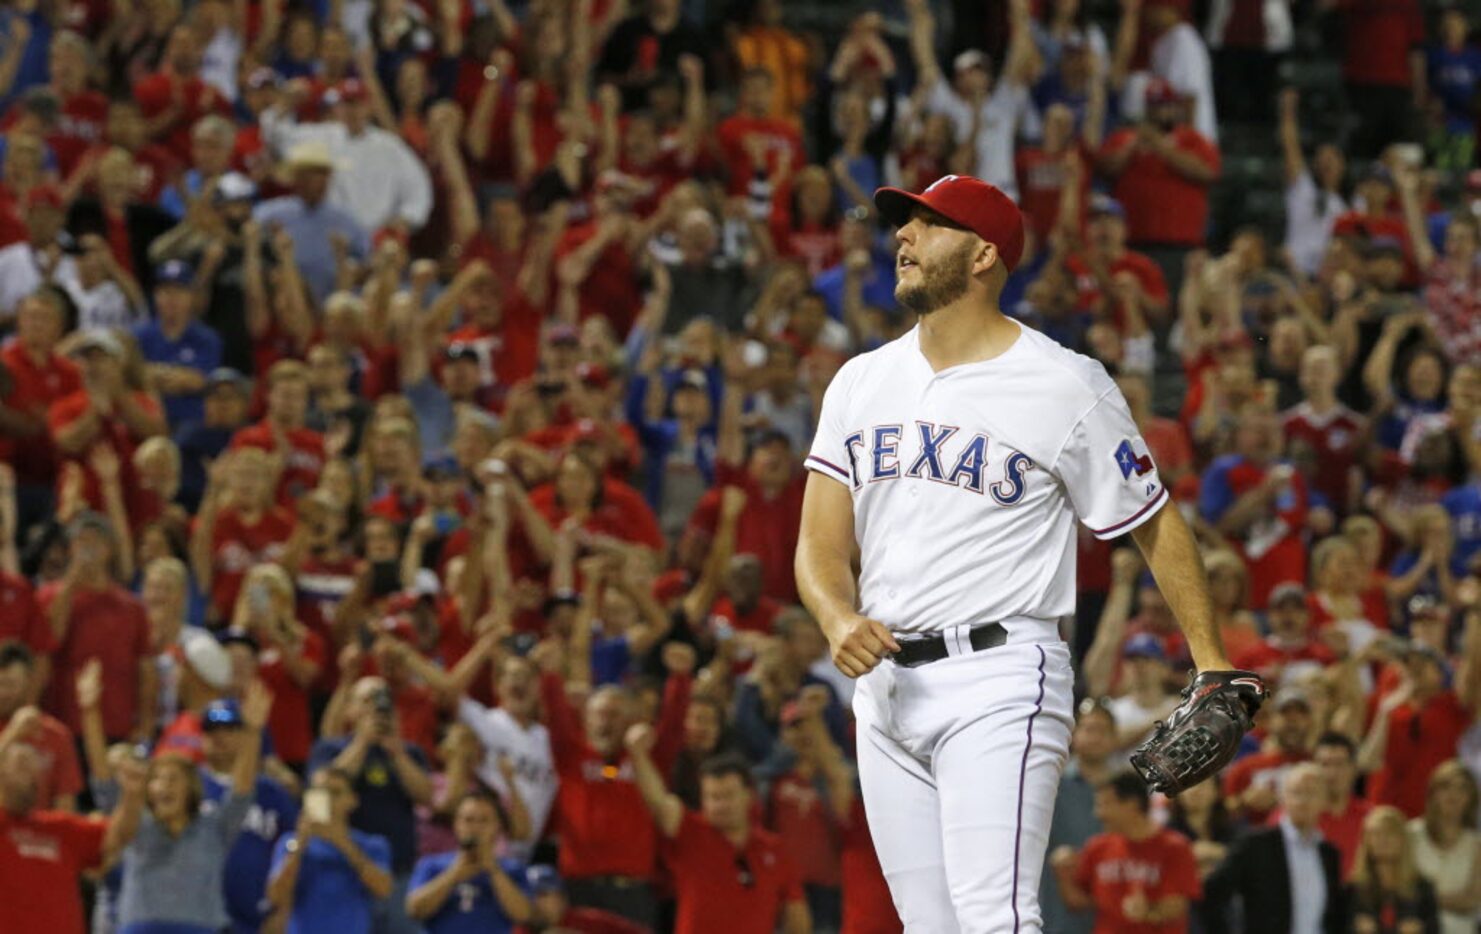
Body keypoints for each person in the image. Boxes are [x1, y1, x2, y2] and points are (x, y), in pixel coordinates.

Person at [795, 174, 1258, 930]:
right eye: (901, 225)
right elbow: (818, 541)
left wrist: (1209, 659)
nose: (901, 238)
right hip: (883, 690)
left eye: (926, 224)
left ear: (982, 255)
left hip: (999, 678)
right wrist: (834, 614)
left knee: (996, 919)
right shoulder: (859, 380)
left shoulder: (1063, 382)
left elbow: (1153, 520)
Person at [111, 681, 273, 934]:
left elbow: (241, 794)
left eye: (173, 779)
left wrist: (252, 732)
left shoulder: (213, 827)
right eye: (157, 779)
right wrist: (131, 796)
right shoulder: (141, 821)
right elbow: (119, 835)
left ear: (191, 789)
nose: (164, 786)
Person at [625, 727, 811, 934]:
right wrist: (638, 755)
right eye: (713, 797)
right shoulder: (690, 832)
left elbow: (795, 914)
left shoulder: (775, 849)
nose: (721, 805)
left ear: (749, 796)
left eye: (728, 795)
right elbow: (659, 802)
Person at [0, 739, 145, 934]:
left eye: (34, 768)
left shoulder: (59, 828)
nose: (30, 774)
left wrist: (132, 794)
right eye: (20, 764)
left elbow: (116, 837)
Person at [1200, 762, 1347, 934]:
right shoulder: (1255, 844)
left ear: (1325, 800)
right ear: (1282, 798)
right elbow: (1212, 894)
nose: (1303, 801)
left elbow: (1335, 915)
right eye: (1296, 792)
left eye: (1311, 793)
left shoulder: (1329, 854)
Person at [1050, 770, 1202, 931]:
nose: (1098, 814)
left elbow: (1177, 905)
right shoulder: (1097, 847)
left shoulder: (1175, 847)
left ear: (1132, 804)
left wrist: (1148, 913)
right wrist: (1062, 875)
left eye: (1105, 804)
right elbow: (1079, 903)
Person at [268, 765, 395, 934]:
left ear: (352, 800)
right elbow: (276, 896)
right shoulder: (290, 842)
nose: (327, 799)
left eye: (335, 793)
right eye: (320, 792)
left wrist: (343, 844)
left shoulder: (372, 844)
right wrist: (299, 845)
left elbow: (384, 890)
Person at [405, 791, 534, 933]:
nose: (476, 828)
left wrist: (493, 870)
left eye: (484, 820)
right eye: (468, 820)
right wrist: (454, 874)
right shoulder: (431, 865)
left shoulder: (512, 869)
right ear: (456, 824)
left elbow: (523, 915)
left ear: (497, 827)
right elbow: (414, 910)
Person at [1041, 699, 1115, 934]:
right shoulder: (1050, 786)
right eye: (1089, 729)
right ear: (1074, 735)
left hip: (1112, 911)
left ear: (1115, 738)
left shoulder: (1127, 791)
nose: (1095, 737)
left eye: (1103, 730)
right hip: (1059, 910)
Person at [0, 641, 82, 810]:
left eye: (11, 684)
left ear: (29, 682)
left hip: (40, 833)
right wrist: (11, 735)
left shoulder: (56, 735)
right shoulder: (12, 733)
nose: (3, 692)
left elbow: (65, 807)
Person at [1407, 760, 1481, 934]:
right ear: (1433, 793)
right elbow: (1400, 889)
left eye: (1462, 788)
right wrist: (1452, 900)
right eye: (1446, 787)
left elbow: (1472, 900)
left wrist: (1424, 900)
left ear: (1471, 797)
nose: (1453, 795)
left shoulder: (1477, 845)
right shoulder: (1411, 835)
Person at [1347, 805, 1442, 933]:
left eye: (1390, 833)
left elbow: (1435, 929)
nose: (1383, 840)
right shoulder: (1352, 889)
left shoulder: (1423, 888)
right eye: (1376, 834)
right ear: (1366, 841)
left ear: (1403, 840)